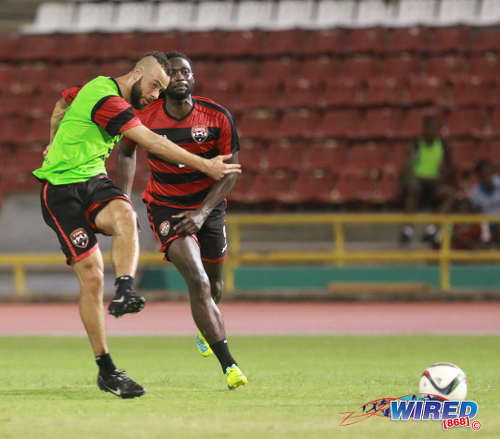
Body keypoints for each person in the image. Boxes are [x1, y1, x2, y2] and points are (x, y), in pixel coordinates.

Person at [33, 52, 241, 399]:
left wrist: (53, 137)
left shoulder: (92, 90)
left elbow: (62, 101)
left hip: (92, 180)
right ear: (136, 75)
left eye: (161, 89)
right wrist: (205, 166)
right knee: (93, 274)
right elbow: (153, 142)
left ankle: (126, 289)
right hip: (59, 191)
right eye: (155, 86)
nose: (157, 95)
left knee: (126, 213)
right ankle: (106, 368)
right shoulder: (108, 99)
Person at [117, 51, 247, 390]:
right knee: (198, 280)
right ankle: (229, 365)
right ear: (162, 81)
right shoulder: (144, 116)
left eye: (186, 71)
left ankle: (206, 326)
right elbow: (127, 152)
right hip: (166, 208)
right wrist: (123, 200)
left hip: (209, 207)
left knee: (215, 284)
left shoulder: (217, 117)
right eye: (173, 72)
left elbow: (231, 173)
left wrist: (203, 213)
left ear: (193, 77)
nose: (180, 77)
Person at [399, 114, 455, 246]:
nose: (432, 131)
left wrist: (441, 177)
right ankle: (407, 230)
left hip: (433, 185)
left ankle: (432, 230)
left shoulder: (442, 145)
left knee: (449, 195)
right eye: (429, 128)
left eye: (434, 128)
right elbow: (406, 169)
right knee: (414, 187)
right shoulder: (416, 144)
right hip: (417, 183)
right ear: (423, 129)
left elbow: (449, 168)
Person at [467, 159, 500, 247]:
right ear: (479, 176)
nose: (487, 178)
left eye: (489, 174)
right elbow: (475, 214)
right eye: (484, 175)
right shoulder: (474, 193)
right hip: (487, 224)